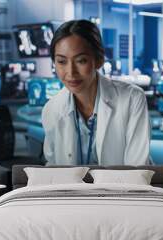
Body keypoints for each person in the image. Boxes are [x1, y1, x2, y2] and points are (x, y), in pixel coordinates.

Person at [42, 19, 151, 165]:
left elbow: (137, 168)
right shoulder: (51, 109)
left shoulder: (131, 99)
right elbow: (53, 167)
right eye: (62, 62)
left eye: (81, 61)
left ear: (99, 60)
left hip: (125, 187)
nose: (71, 72)